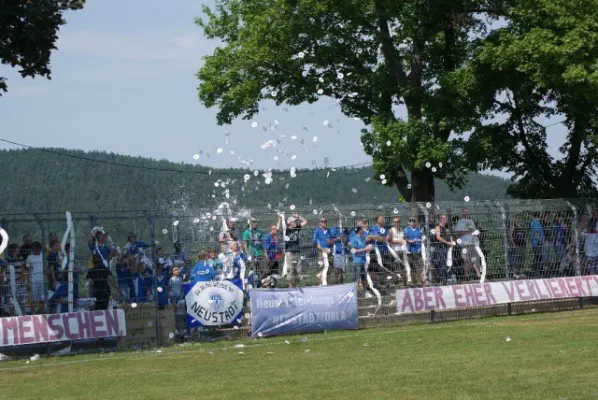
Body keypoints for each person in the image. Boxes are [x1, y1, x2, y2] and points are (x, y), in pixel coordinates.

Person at [455, 208, 480, 280]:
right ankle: (467, 275)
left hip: (472, 243)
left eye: (467, 212)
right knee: (466, 260)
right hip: (464, 244)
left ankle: (478, 274)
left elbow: (475, 231)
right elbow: (458, 233)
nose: (466, 214)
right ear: (462, 213)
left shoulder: (471, 221)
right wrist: (468, 232)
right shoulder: (460, 222)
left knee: (475, 259)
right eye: (465, 212)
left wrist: (477, 233)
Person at [242, 218, 269, 285]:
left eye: (256, 222)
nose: (256, 223)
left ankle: (261, 283)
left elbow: (262, 243)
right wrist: (248, 255)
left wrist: (265, 254)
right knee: (253, 272)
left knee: (266, 270)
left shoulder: (259, 232)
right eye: (253, 222)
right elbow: (245, 244)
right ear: (250, 223)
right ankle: (251, 285)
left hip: (260, 254)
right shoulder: (246, 232)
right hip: (252, 254)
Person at [284, 213, 308, 288]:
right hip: (289, 252)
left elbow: (305, 221)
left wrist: (298, 216)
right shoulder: (286, 230)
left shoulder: (297, 227)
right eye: (293, 221)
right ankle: (290, 287)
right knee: (290, 270)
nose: (295, 222)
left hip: (297, 251)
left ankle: (297, 286)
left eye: (295, 221)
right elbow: (281, 226)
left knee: (298, 270)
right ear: (289, 223)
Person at [433, 215, 455, 286]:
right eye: (445, 218)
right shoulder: (437, 227)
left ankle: (447, 277)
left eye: (446, 218)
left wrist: (452, 242)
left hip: (448, 248)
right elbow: (438, 237)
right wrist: (447, 242)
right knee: (442, 263)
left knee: (448, 262)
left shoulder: (447, 227)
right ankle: (443, 279)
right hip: (441, 247)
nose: (446, 219)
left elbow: (451, 235)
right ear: (441, 219)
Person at [404, 217, 425, 287]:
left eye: (413, 221)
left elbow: (423, 237)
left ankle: (418, 281)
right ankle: (413, 282)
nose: (412, 222)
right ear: (409, 222)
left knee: (420, 266)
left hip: (418, 251)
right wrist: (411, 241)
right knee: (412, 267)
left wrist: (422, 240)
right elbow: (405, 239)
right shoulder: (406, 230)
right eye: (411, 221)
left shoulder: (419, 230)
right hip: (410, 251)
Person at [26, 241, 45, 314]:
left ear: (40, 249)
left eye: (37, 249)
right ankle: (33, 314)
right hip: (33, 281)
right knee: (33, 299)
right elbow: (28, 270)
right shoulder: (29, 257)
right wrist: (28, 282)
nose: (36, 251)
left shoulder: (42, 256)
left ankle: (43, 313)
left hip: (42, 280)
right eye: (34, 249)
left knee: (42, 299)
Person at [313, 216, 332, 285]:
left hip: (329, 251)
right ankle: (321, 284)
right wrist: (322, 249)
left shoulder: (330, 231)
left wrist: (331, 241)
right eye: (322, 221)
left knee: (328, 269)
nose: (323, 222)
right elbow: (315, 243)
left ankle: (327, 284)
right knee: (322, 268)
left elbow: (332, 241)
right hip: (321, 252)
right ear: (320, 223)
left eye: (325, 221)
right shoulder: (317, 231)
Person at [508, 214, 527, 279]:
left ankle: (520, 273)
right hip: (516, 245)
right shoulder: (513, 226)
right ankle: (515, 274)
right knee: (516, 260)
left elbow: (524, 236)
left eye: (519, 218)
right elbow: (510, 235)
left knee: (522, 260)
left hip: (523, 245)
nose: (518, 219)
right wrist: (513, 244)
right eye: (517, 218)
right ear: (515, 219)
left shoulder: (521, 226)